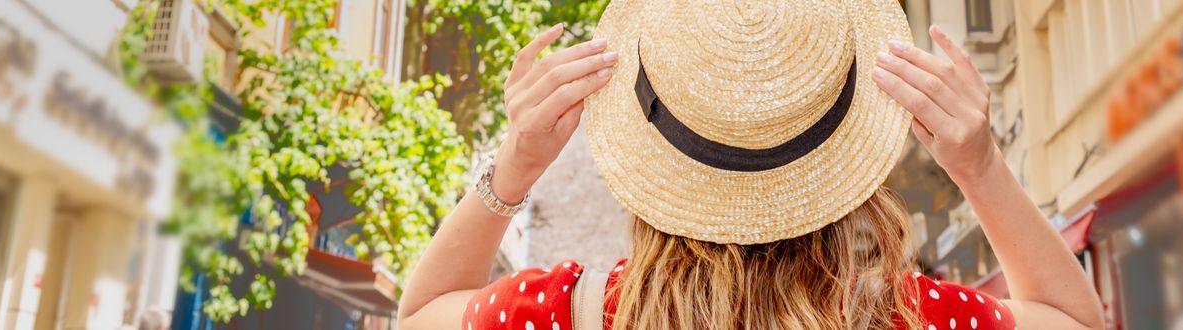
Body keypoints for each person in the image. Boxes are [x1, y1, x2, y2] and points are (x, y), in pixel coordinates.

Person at [394, 0, 1106, 329]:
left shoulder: (566, 312)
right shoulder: (909, 317)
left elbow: (422, 313)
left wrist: (519, 163)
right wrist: (979, 166)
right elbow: (1071, 323)